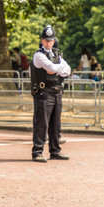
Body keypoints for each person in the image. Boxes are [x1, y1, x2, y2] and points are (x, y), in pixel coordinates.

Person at [30, 25, 71, 163]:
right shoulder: (39, 55)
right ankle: (37, 151)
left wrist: (56, 69)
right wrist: (58, 68)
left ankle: (55, 151)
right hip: (44, 92)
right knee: (42, 123)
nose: (49, 43)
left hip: (56, 91)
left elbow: (68, 71)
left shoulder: (56, 54)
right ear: (42, 40)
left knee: (55, 124)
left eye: (51, 40)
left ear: (54, 41)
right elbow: (53, 68)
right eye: (46, 40)